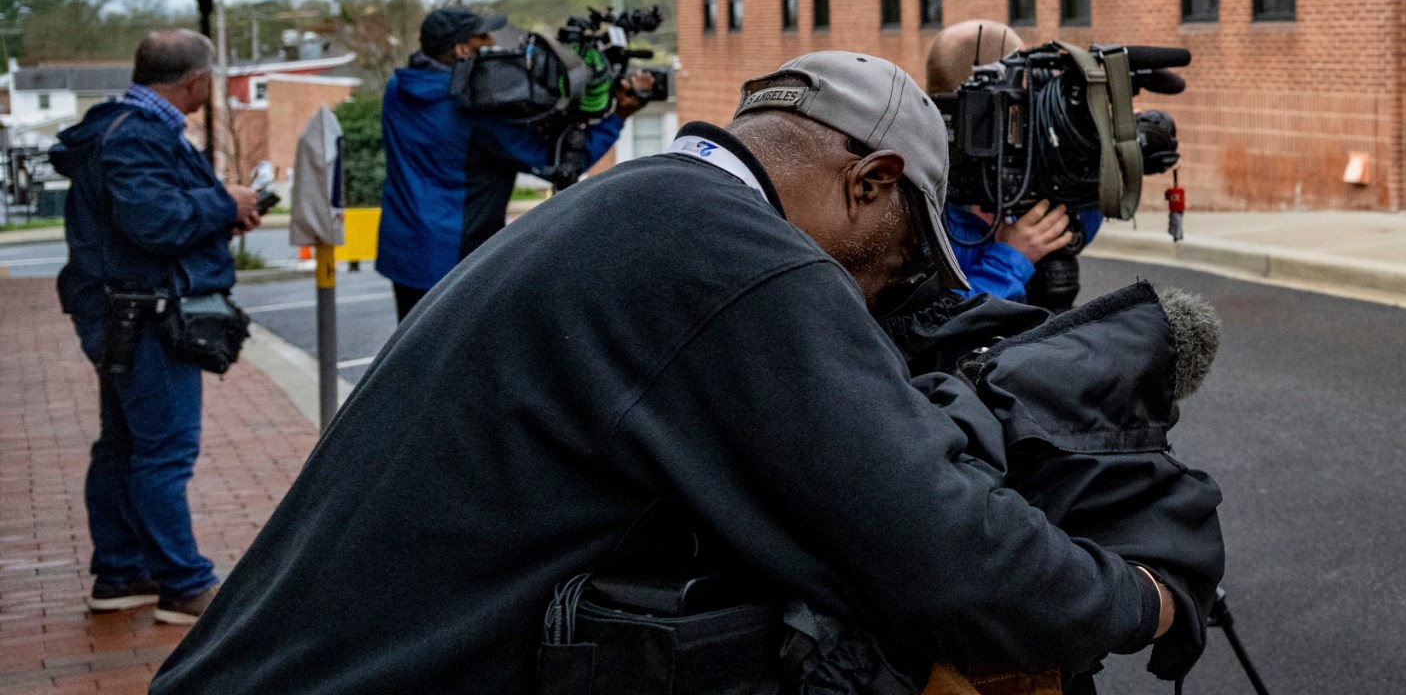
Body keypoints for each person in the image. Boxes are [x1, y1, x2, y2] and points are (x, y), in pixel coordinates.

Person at [152, 51, 1196, 694]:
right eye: (907, 254)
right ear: (870, 185)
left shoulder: (637, 210)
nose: (891, 290)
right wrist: (1147, 598)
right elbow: (946, 552)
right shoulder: (733, 259)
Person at [48, 30, 262, 627]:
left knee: (123, 446)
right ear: (195, 81)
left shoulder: (117, 128)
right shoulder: (139, 136)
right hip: (146, 314)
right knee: (164, 452)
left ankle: (121, 573)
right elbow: (155, 222)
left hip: (121, 309)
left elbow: (148, 220)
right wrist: (224, 204)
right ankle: (182, 583)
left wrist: (218, 212)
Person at [378, 7, 630, 318]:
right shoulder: (477, 116)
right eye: (482, 39)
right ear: (461, 49)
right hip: (454, 259)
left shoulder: (397, 90)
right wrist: (618, 116)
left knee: (411, 353)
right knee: (461, 359)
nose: (491, 46)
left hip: (402, 251)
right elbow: (557, 161)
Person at [922, 20, 1095, 303]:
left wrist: (1096, 145)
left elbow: (1085, 210)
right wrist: (1012, 256)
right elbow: (934, 324)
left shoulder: (1027, 172)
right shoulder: (919, 213)